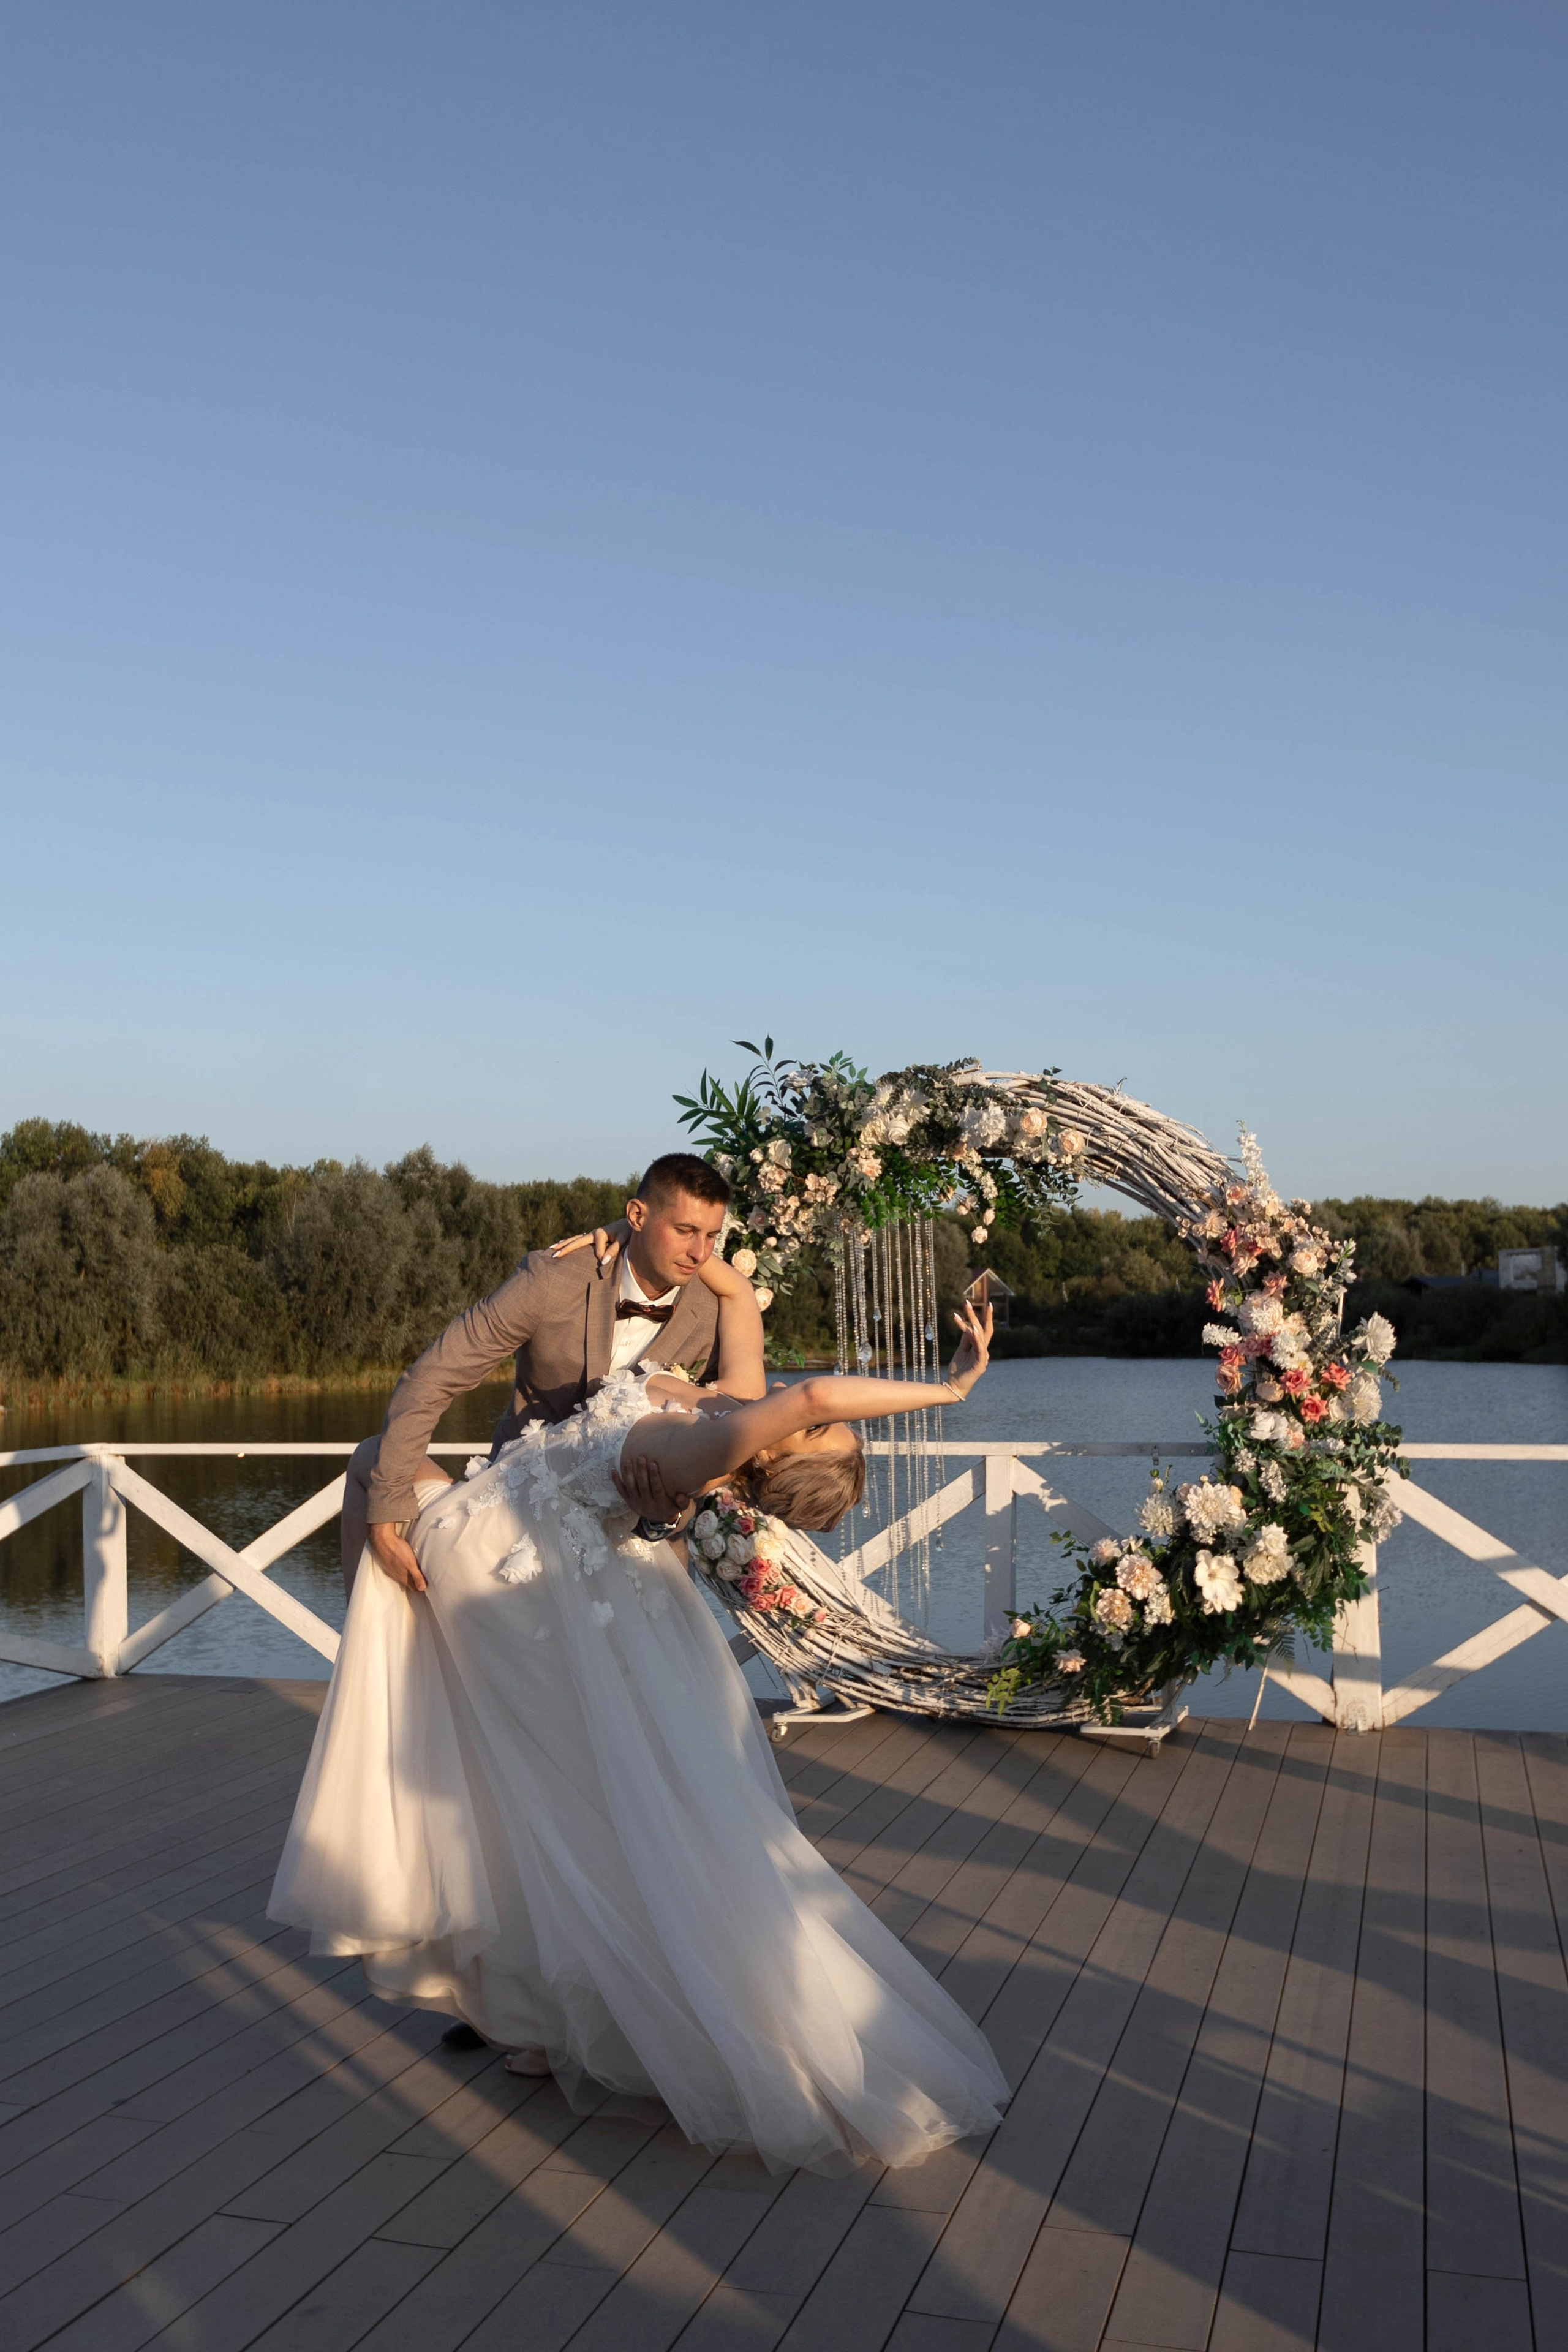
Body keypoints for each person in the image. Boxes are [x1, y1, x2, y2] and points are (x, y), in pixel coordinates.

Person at [269, 1264, 1007, 2176]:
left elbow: (809, 1389)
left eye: (809, 1428)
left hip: (487, 1558)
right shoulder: (723, 1414)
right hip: (513, 1560)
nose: (802, 1407)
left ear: (775, 1454)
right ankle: (535, 2019)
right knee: (542, 1798)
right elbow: (747, 1340)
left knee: (374, 1477)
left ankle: (381, 1680)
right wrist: (724, 1278)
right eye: (818, 1419)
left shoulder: (716, 1446)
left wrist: (952, 1386)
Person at [339, 1152, 758, 1599]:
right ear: (636, 1215)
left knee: (662, 1660)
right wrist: (384, 1521)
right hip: (517, 1523)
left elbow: (728, 1442)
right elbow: (432, 1378)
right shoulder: (553, 1279)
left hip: (637, 1547)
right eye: (685, 1231)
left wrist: (666, 1517)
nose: (700, 1252)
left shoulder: (715, 1313)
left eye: (712, 1236)